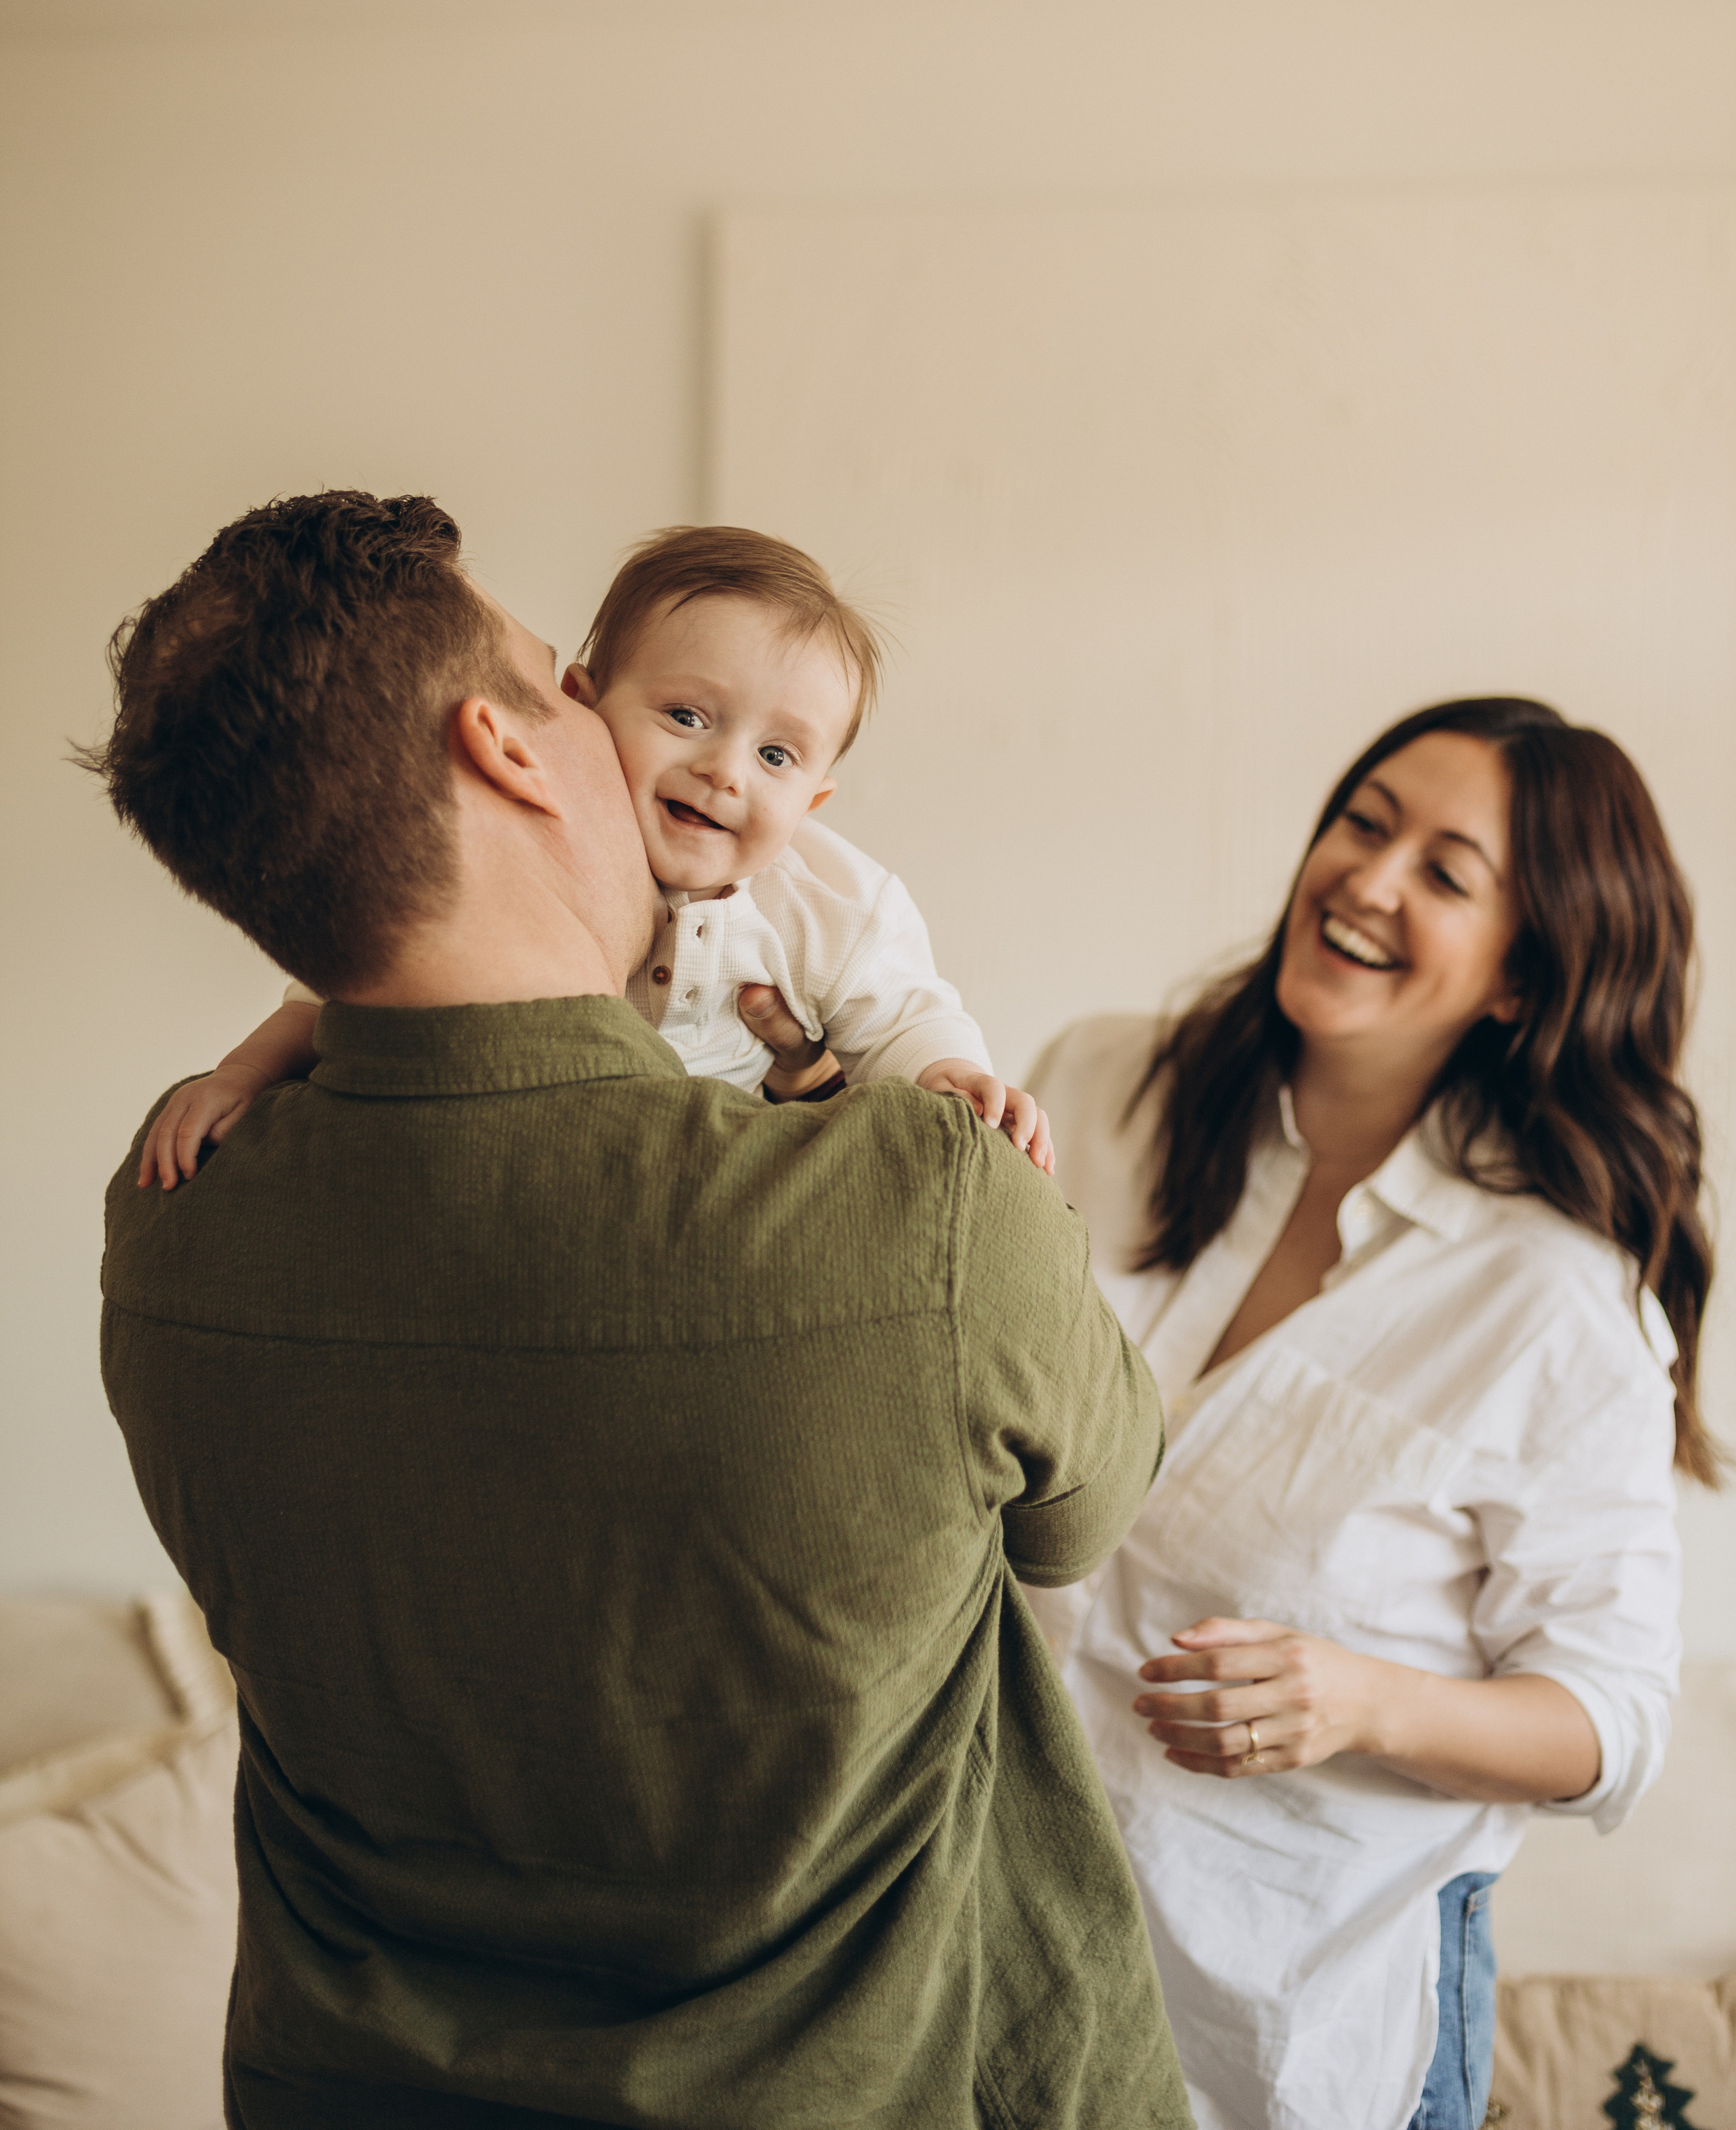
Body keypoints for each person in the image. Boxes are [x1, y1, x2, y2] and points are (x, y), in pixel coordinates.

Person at [90, 490, 1189, 2129]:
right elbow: (1084, 1514)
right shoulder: (921, 1209)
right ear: (513, 749)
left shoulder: (171, 1236)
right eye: (572, 684)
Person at [1024, 699, 1713, 2130]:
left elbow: (1611, 1721)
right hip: (996, 1962)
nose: (1366, 878)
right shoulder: (1096, 1086)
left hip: (1294, 2025)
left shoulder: (1553, 1303)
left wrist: (1359, 1702)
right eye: (1362, 820)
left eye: (1444, 873)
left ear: (1519, 982)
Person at [136, 522, 1052, 1189]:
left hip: (735, 1180)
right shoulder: (534, 881)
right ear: (585, 702)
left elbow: (901, 1018)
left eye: (777, 756)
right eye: (687, 716)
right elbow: (333, 993)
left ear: (813, 800)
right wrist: (238, 1077)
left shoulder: (826, 900)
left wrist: (952, 1078)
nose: (723, 771)